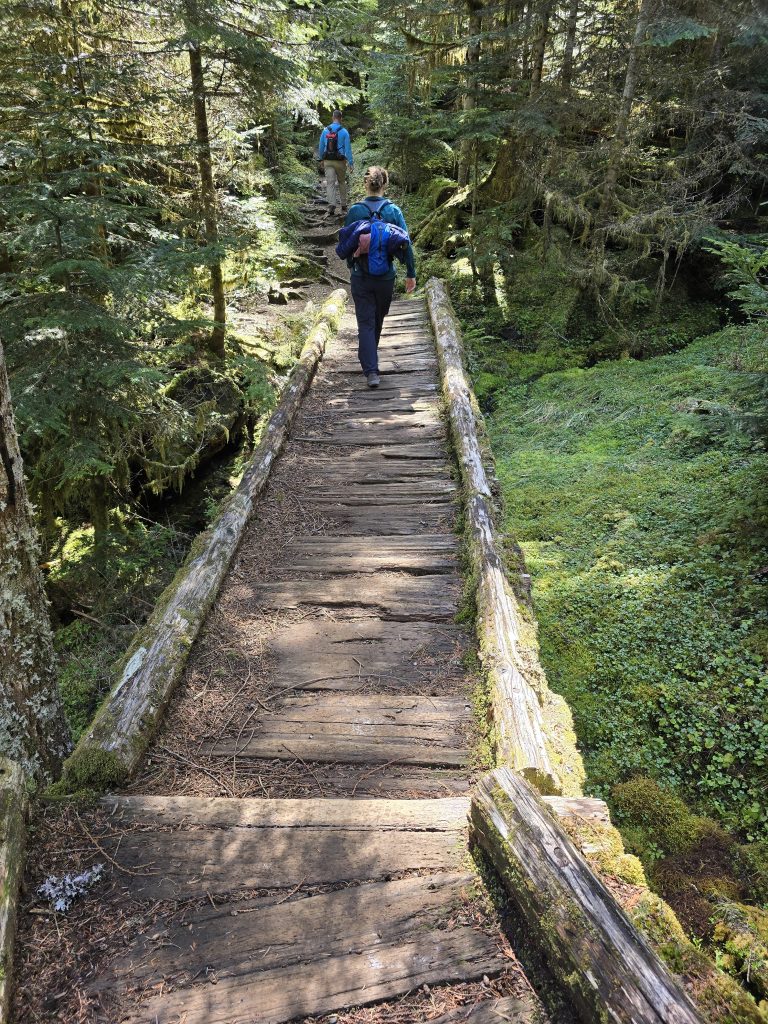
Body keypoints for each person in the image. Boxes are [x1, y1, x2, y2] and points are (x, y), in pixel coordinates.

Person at [344, 166, 416, 389]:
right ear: (385, 185)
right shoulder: (393, 211)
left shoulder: (355, 211)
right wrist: (410, 274)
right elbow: (406, 244)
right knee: (377, 319)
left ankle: (371, 368)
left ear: (365, 184)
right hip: (385, 278)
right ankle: (371, 365)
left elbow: (346, 245)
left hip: (361, 277)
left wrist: (353, 266)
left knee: (365, 321)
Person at [318, 111, 354, 216]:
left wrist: (321, 159)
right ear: (341, 118)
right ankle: (343, 206)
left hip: (328, 161)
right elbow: (348, 149)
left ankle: (332, 205)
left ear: (332, 117)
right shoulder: (344, 132)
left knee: (330, 183)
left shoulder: (325, 131)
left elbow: (321, 147)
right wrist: (350, 163)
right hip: (340, 161)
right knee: (342, 182)